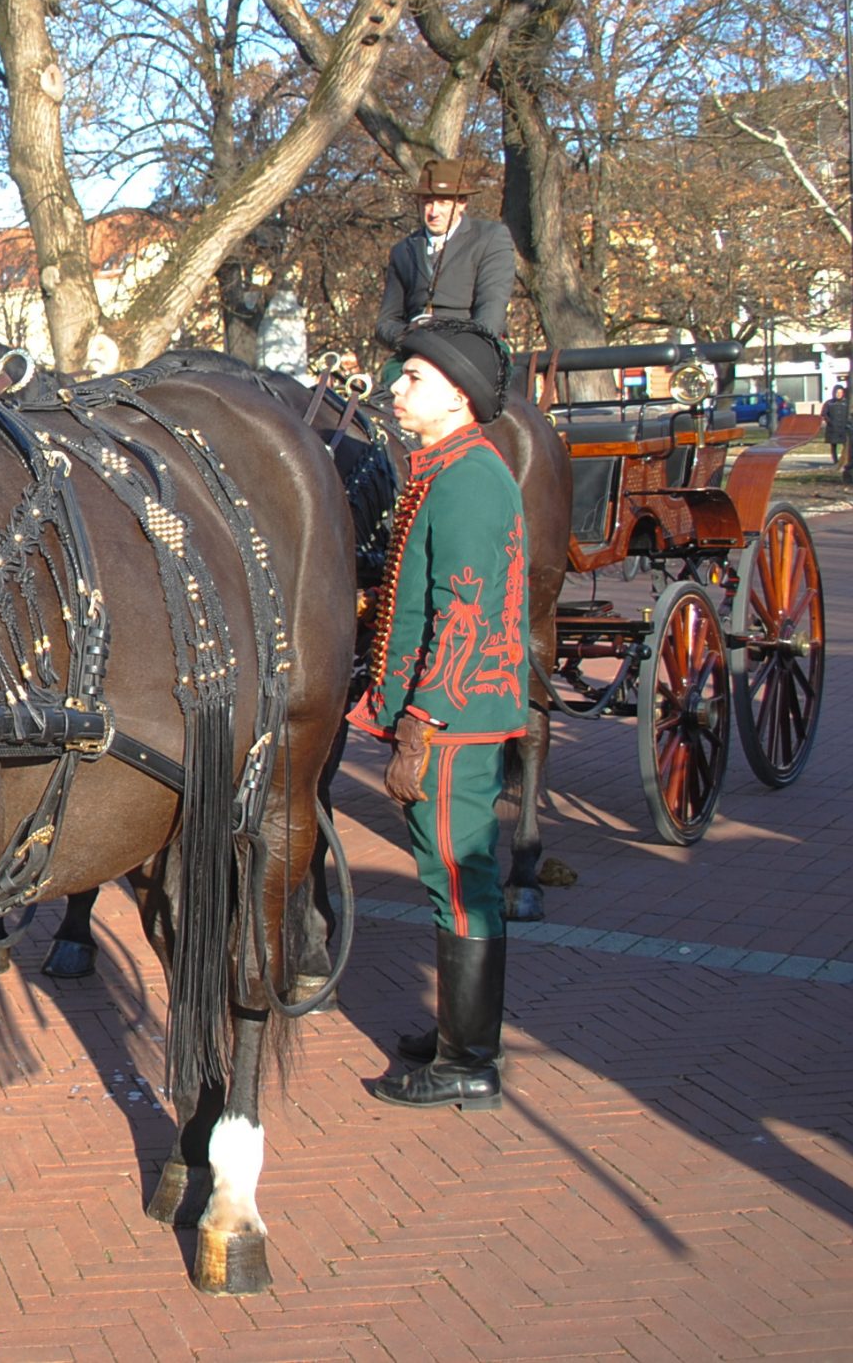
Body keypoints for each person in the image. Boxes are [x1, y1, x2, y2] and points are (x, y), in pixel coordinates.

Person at [351, 317, 528, 1111]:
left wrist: (419, 725)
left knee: (459, 878)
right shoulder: (448, 467)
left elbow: (463, 614)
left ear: (457, 396)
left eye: (415, 378)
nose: (397, 387)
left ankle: (469, 1060)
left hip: (455, 720)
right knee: (451, 876)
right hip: (449, 715)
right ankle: (461, 1031)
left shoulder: (468, 479)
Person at [374, 158, 518, 346]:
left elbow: (491, 308)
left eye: (442, 202)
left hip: (473, 350)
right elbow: (386, 323)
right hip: (416, 351)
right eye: (427, 202)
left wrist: (465, 350)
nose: (434, 212)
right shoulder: (403, 251)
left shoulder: (489, 238)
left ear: (461, 203)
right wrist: (409, 337)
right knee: (392, 375)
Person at [822, 385, 851, 470]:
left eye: (840, 392)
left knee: (845, 444)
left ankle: (844, 460)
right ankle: (835, 461)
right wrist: (829, 421)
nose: (839, 394)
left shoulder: (847, 403)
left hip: (843, 427)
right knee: (833, 445)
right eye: (837, 392)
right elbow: (824, 413)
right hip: (833, 428)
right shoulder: (829, 403)